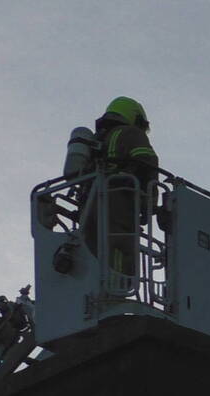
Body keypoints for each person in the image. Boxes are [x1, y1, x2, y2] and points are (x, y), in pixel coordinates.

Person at [82, 97, 159, 279]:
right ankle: (115, 287)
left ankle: (96, 286)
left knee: (92, 251)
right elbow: (148, 163)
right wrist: (150, 204)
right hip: (119, 203)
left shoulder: (98, 140)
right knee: (118, 249)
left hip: (89, 206)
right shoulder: (132, 133)